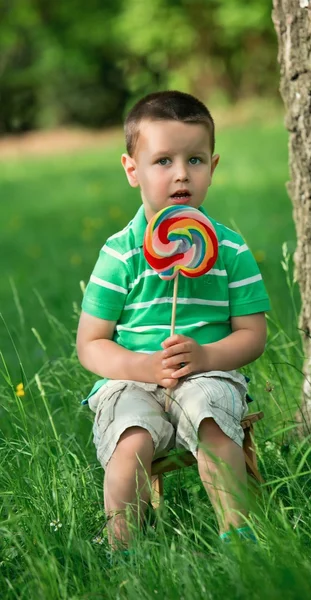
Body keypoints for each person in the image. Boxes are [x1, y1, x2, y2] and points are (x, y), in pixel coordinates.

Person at [76, 90, 270, 550]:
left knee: (211, 419)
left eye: (196, 160)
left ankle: (238, 533)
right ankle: (121, 549)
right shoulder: (120, 254)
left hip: (207, 372)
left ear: (213, 167)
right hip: (132, 382)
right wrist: (141, 368)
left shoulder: (230, 251)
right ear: (132, 170)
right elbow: (91, 344)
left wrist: (205, 356)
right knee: (132, 441)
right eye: (163, 161)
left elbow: (253, 335)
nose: (182, 173)